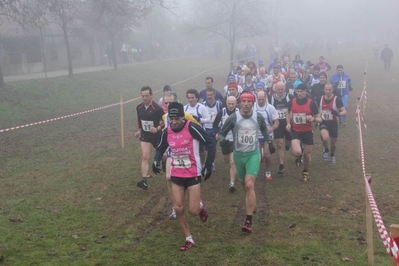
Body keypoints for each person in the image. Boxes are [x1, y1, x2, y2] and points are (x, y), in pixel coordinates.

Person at [152, 102, 216, 251]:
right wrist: (156, 160)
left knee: (193, 211)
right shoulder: (167, 131)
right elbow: (160, 147)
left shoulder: (192, 127)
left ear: (183, 117)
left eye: (177, 119)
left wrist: (208, 165)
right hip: (176, 173)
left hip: (192, 173)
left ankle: (201, 207)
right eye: (172, 118)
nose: (174, 122)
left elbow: (211, 142)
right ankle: (189, 238)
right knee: (178, 208)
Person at [218, 92, 271, 233]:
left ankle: (248, 221)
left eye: (249, 101)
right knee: (245, 186)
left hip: (253, 155)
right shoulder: (233, 117)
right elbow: (222, 132)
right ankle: (251, 204)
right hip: (238, 155)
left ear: (253, 103)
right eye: (243, 101)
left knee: (249, 184)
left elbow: (265, 131)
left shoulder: (258, 117)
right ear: (239, 103)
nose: (246, 104)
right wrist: (223, 141)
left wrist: (269, 141)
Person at [161, 91, 200, 219]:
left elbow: (197, 125)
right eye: (165, 103)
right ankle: (175, 206)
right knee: (168, 178)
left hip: (184, 152)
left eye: (170, 103)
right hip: (171, 151)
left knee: (177, 180)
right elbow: (164, 127)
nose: (167, 105)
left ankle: (193, 202)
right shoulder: (164, 116)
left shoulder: (185, 114)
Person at [286, 83, 322, 182]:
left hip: (307, 131)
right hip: (296, 131)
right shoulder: (292, 102)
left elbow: (320, 118)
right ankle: (298, 157)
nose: (299, 93)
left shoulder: (311, 103)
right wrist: (288, 123)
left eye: (302, 91)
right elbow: (287, 112)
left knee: (307, 155)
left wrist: (313, 118)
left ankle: (305, 171)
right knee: (297, 152)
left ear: (306, 92)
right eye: (298, 91)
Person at [135, 86, 165, 190]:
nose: (144, 98)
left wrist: (157, 128)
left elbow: (166, 122)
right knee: (145, 157)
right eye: (143, 96)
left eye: (146, 96)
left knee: (162, 156)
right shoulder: (139, 107)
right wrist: (139, 130)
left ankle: (165, 162)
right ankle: (144, 181)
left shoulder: (157, 108)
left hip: (156, 136)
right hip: (145, 136)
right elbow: (139, 119)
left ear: (151, 95)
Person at [213, 96, 239, 192]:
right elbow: (215, 124)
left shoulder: (239, 112)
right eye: (229, 103)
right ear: (226, 103)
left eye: (233, 104)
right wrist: (216, 132)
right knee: (226, 160)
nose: (231, 106)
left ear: (236, 103)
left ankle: (231, 183)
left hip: (235, 140)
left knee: (233, 162)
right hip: (225, 140)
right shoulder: (222, 112)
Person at [270, 82, 294, 174]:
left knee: (287, 144)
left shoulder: (289, 97)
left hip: (288, 123)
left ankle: (288, 146)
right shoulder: (271, 98)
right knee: (279, 144)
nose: (280, 91)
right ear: (275, 89)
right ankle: (281, 165)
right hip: (278, 124)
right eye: (278, 89)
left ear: (285, 89)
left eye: (282, 89)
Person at [319, 83, 347, 163]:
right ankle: (326, 150)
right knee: (325, 138)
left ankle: (332, 154)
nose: (327, 91)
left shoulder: (337, 99)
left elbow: (344, 111)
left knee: (333, 144)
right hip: (323, 122)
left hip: (333, 123)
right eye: (326, 90)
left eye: (329, 90)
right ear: (324, 90)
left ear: (332, 90)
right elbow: (314, 109)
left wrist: (338, 114)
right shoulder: (320, 99)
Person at [254, 90, 278, 180]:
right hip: (256, 135)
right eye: (259, 99)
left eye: (262, 99)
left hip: (267, 135)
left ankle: (268, 171)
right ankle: (254, 171)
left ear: (266, 98)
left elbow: (277, 122)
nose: (260, 101)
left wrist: (272, 129)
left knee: (267, 155)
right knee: (257, 156)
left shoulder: (270, 108)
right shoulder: (253, 107)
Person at [184, 89, 212, 165]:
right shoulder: (185, 108)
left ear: (197, 98)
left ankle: (201, 165)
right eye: (189, 98)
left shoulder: (201, 107)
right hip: (187, 134)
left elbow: (208, 119)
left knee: (201, 151)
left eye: (192, 98)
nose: (190, 100)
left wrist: (199, 120)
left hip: (199, 133)